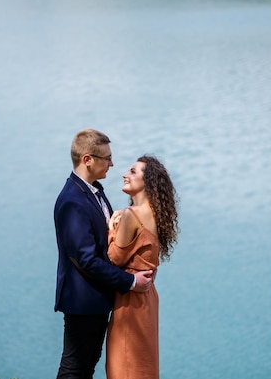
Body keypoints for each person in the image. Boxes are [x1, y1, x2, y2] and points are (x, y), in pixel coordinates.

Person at [54, 129, 154, 379]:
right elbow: (85, 259)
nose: (112, 163)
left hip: (96, 298)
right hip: (83, 301)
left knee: (86, 365)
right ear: (87, 160)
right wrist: (131, 282)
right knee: (75, 368)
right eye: (106, 158)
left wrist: (114, 222)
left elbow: (99, 241)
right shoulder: (72, 201)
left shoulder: (93, 191)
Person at [105, 154, 179, 379]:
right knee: (142, 365)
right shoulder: (155, 215)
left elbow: (114, 259)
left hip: (130, 300)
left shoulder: (131, 214)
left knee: (124, 366)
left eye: (133, 171)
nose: (125, 175)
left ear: (147, 181)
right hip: (146, 298)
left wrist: (111, 229)